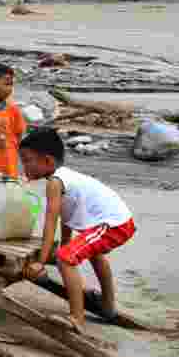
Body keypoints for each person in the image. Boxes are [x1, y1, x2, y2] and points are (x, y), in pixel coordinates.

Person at [20, 128, 136, 333]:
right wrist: (65, 244)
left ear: (47, 161)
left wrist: (40, 262)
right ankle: (107, 307)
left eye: (28, 161)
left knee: (65, 259)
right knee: (90, 253)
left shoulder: (55, 182)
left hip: (113, 224)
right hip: (119, 221)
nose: (24, 167)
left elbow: (50, 222)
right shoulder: (62, 178)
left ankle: (77, 318)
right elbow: (67, 216)